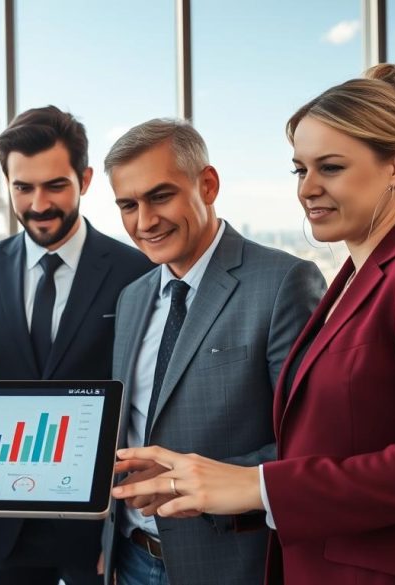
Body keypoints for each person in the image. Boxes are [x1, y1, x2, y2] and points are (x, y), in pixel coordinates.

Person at [112, 64, 395, 585]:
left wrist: (254, 485)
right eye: (300, 170)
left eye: (331, 168)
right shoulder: (354, 275)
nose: (308, 189)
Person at [99, 118, 325, 585]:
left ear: (207, 185)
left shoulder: (284, 282)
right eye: (128, 205)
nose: (145, 221)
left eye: (160, 196)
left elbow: (314, 445)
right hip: (132, 560)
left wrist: (182, 478)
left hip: (234, 562)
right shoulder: (132, 297)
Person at [0, 105, 154, 585]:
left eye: (55, 185)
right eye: (23, 187)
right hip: (2, 523)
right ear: (8, 185)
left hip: (96, 523)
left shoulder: (135, 271)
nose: (39, 204)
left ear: (84, 179)